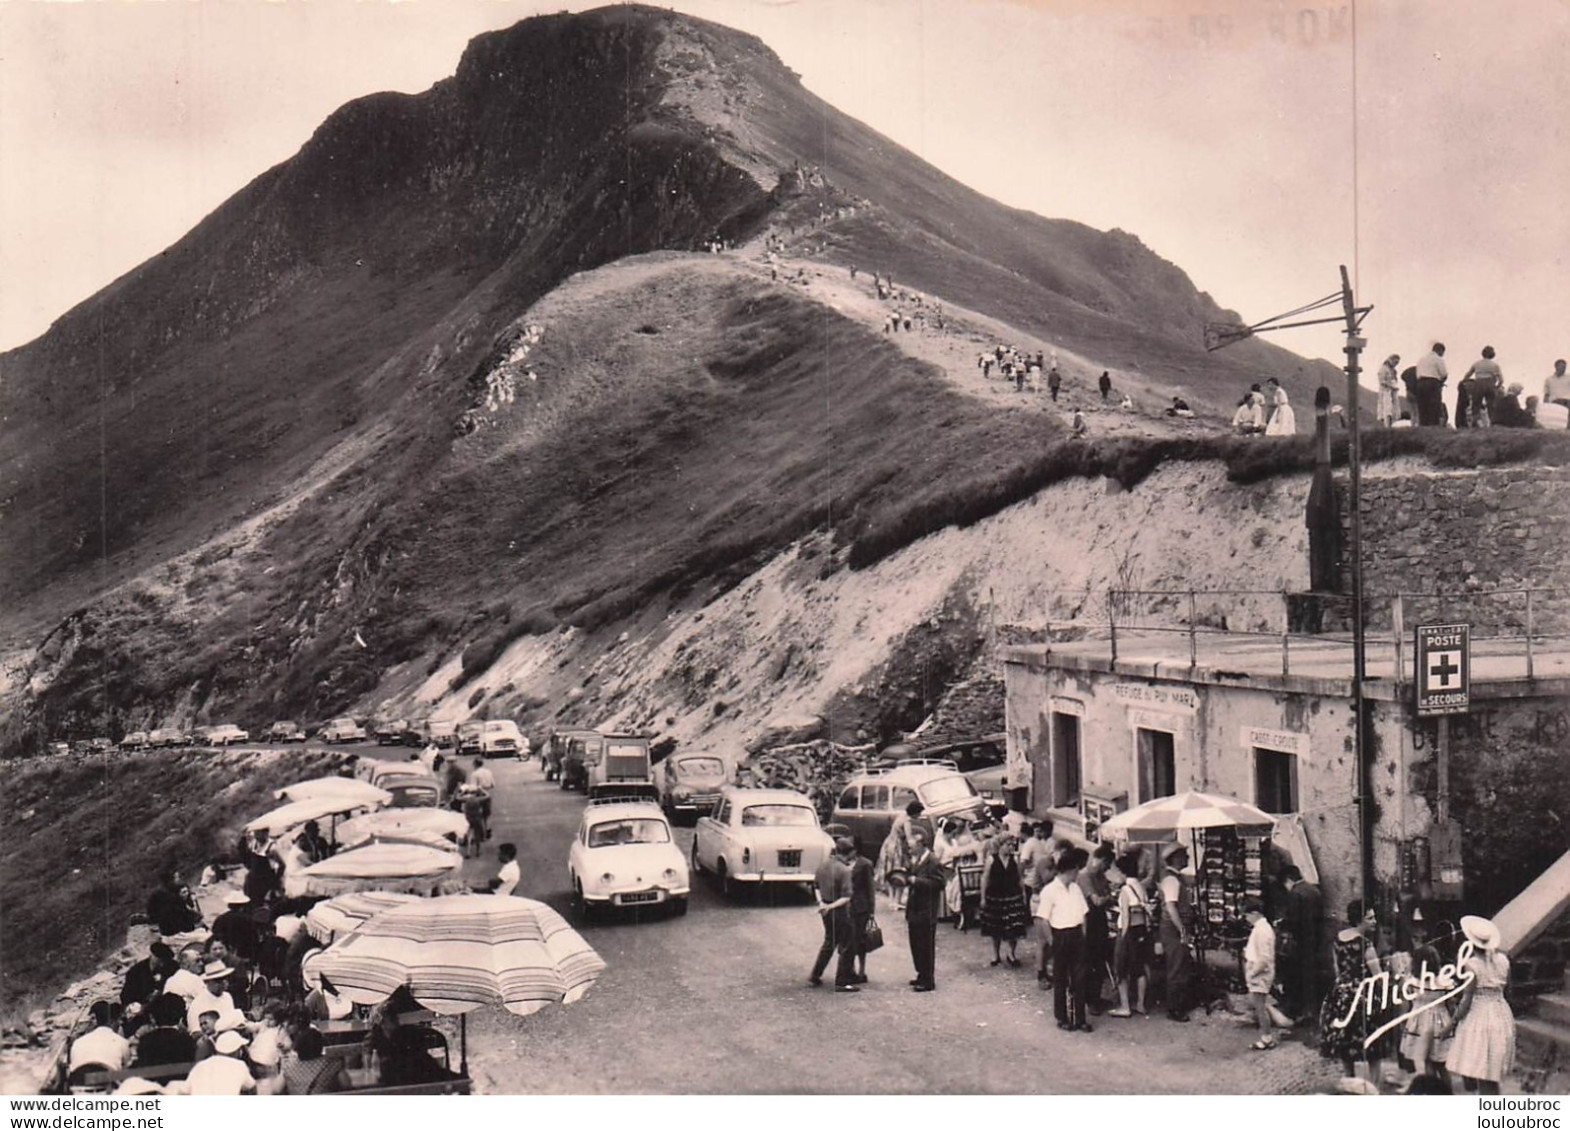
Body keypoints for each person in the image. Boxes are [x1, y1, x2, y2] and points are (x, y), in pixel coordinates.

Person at [1318, 899, 1392, 1091]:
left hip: (1342, 996)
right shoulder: (1365, 944)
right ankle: (1373, 1088)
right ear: (1359, 921)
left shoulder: (1337, 939)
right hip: (1363, 996)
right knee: (1373, 1046)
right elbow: (1378, 976)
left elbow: (1336, 970)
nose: (1374, 921)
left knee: (1346, 1043)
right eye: (1370, 918)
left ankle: (1349, 1083)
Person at [1447, 915, 1516, 1095]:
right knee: (1490, 1070)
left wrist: (1452, 1022)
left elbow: (1466, 1000)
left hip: (1480, 1017)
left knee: (1482, 1069)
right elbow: (1508, 990)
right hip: (1501, 1013)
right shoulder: (1503, 961)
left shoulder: (1472, 965)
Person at [1036, 846, 1092, 1032]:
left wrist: (1082, 933)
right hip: (1060, 935)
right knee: (1061, 978)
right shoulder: (1050, 891)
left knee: (1080, 977)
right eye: (1076, 869)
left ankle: (1080, 1018)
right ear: (1071, 870)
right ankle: (1062, 1017)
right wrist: (1052, 940)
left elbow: (1083, 913)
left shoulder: (1075, 888)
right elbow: (1044, 919)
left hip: (1076, 933)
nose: (1078, 873)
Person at [808, 839, 857, 992]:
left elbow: (815, 885)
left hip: (825, 908)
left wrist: (822, 903)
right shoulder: (844, 870)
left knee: (829, 941)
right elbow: (847, 896)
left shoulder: (823, 865)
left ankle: (815, 974)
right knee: (847, 944)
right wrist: (831, 906)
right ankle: (842, 980)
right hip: (839, 910)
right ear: (849, 853)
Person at [1109, 849, 1153, 1018]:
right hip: (1141, 929)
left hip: (1128, 931)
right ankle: (1141, 1004)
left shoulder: (1125, 890)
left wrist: (1123, 937)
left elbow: (1125, 917)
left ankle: (1125, 1006)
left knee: (1121, 968)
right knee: (1139, 968)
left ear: (1122, 872)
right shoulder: (1141, 887)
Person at [1280, 865, 1326, 1022]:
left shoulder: (1295, 893)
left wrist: (1282, 923)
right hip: (1315, 940)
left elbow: (1293, 920)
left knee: (1296, 977)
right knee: (1310, 977)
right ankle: (1311, 1010)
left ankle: (1297, 1011)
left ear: (1288, 880)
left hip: (1300, 942)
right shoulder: (1314, 890)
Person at [902, 828, 946, 992]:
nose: (909, 848)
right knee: (916, 944)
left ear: (920, 843)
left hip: (926, 911)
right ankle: (921, 974)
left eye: (911, 845)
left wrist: (917, 881)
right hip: (915, 909)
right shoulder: (917, 859)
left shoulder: (932, 861)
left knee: (925, 945)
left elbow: (939, 884)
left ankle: (928, 979)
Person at [978, 833, 1029, 967]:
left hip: (1012, 896)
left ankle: (1011, 953)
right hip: (996, 896)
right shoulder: (991, 860)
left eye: (1012, 845)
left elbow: (1020, 878)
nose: (1011, 847)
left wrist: (1023, 894)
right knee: (995, 927)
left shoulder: (1014, 860)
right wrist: (983, 897)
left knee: (1014, 926)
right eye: (1008, 845)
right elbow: (985, 878)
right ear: (1000, 846)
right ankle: (996, 954)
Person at [1158, 843, 1195, 1022]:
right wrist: (1181, 929)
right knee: (1176, 966)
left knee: (1181, 964)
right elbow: (1171, 907)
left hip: (1175, 927)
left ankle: (1179, 1004)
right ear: (1176, 858)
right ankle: (1174, 1008)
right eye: (1184, 855)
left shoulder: (1176, 877)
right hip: (1173, 928)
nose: (1187, 858)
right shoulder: (1171, 880)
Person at [1078, 843, 1116, 1013]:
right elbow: (1097, 901)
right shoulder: (1085, 876)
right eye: (1107, 864)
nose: (1108, 869)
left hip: (1100, 920)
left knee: (1100, 960)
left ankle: (1096, 996)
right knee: (1089, 960)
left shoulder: (1100, 876)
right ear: (1101, 860)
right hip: (1088, 920)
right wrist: (1111, 896)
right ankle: (1089, 1000)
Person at [1242, 899, 1278, 1050]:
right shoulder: (1261, 928)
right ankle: (1266, 1035)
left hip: (1260, 973)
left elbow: (1264, 958)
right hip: (1258, 971)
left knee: (1260, 1007)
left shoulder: (1263, 931)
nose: (1246, 919)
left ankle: (1267, 1037)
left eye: (1247, 915)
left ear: (1255, 913)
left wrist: (1251, 973)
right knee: (1259, 1006)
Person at [281, 1023, 350, 1095]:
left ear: (298, 1047)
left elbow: (277, 1089)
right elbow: (346, 1084)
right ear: (320, 1045)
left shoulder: (289, 1066)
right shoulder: (332, 1063)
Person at [182, 1031, 255, 1095]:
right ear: (237, 1051)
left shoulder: (200, 1066)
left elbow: (185, 1091)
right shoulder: (239, 1066)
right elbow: (252, 1087)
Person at [847, 841, 876, 984]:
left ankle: (862, 970)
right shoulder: (844, 863)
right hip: (847, 906)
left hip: (861, 907)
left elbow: (870, 888)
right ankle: (850, 969)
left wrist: (871, 910)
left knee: (860, 940)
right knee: (848, 940)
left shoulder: (865, 864)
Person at [146, 868, 203, 936]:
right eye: (177, 878)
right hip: (176, 931)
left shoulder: (157, 894)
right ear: (171, 880)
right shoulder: (173, 897)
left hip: (163, 927)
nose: (178, 880)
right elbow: (184, 914)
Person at [121, 942, 176, 1009]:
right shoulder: (136, 972)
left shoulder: (172, 966)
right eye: (159, 961)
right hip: (142, 1006)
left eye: (164, 961)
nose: (162, 964)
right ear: (152, 956)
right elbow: (126, 996)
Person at [1462, 347, 1503, 427]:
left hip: (1478, 383)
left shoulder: (1477, 363)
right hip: (1490, 383)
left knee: (1476, 405)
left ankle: (1476, 423)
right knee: (1491, 405)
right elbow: (1501, 379)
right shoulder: (1495, 365)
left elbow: (1468, 374)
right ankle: (1492, 423)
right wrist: (1497, 387)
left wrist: (1464, 381)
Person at [1415, 343, 1449, 426]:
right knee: (1434, 406)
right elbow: (1444, 374)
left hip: (1420, 383)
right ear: (1440, 350)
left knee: (1422, 406)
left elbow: (1417, 373)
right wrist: (1441, 383)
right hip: (1433, 383)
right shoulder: (1438, 359)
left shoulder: (1421, 359)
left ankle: (1423, 425)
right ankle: (1433, 426)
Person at [470, 755, 496, 834]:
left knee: (477, 812)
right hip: (488, 793)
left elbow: (473, 787)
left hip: (479, 795)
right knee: (487, 813)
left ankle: (479, 830)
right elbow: (493, 784)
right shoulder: (488, 771)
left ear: (475, 764)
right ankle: (487, 828)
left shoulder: (475, 774)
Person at [1376, 354, 1402, 425]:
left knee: (1394, 409)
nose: (1395, 364)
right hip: (1386, 391)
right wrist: (1390, 385)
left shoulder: (1393, 370)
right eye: (1395, 362)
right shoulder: (1383, 368)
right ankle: (1386, 424)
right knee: (1386, 408)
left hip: (1393, 391)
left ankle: (1394, 423)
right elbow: (1382, 381)